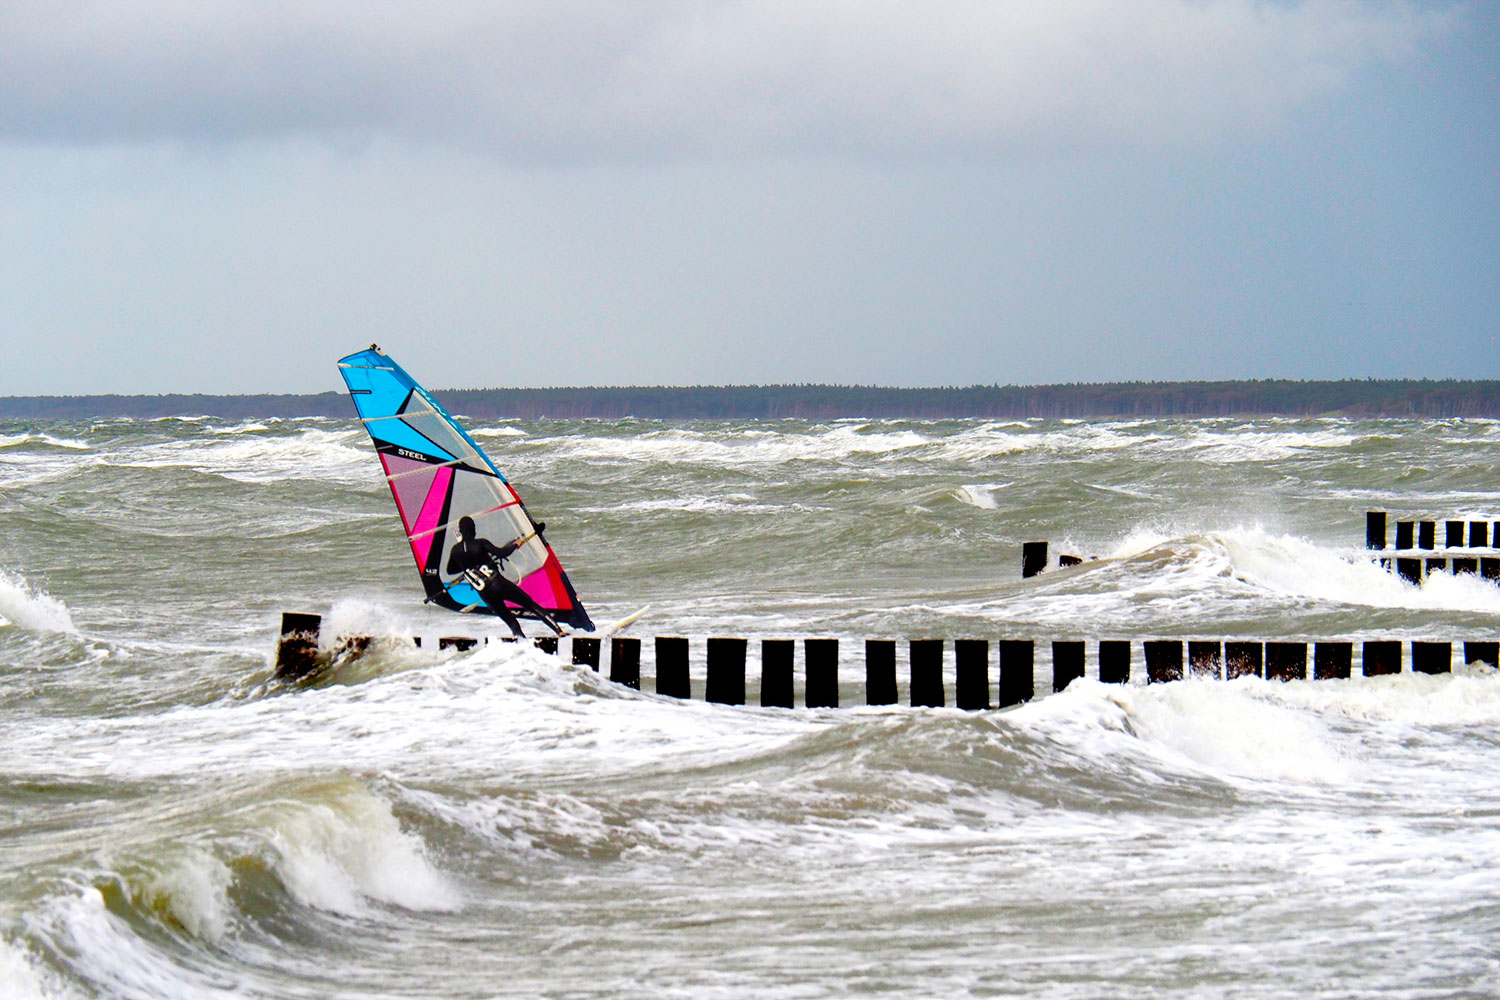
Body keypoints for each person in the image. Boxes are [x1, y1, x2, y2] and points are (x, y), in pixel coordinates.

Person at [445, 516, 563, 637]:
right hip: (498, 584)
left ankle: (522, 643)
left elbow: (450, 570)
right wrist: (515, 545)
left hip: (485, 593)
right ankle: (559, 632)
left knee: (510, 621)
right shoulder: (480, 543)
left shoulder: (455, 550)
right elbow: (502, 553)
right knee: (530, 605)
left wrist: (467, 567)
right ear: (473, 529)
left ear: (461, 531)